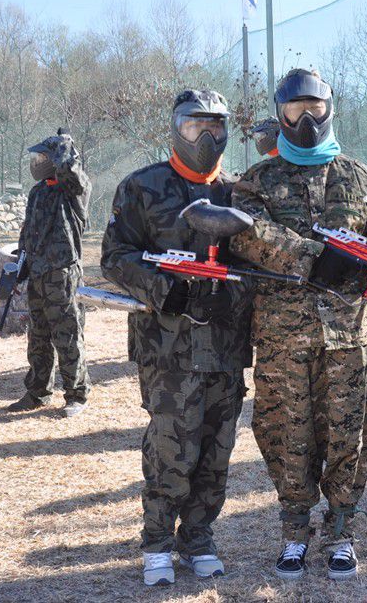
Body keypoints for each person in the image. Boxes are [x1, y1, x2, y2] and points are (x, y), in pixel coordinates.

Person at [231, 68, 367, 581]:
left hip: (348, 333)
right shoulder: (258, 179)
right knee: (285, 432)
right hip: (283, 337)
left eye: (313, 109)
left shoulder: (358, 176)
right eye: (294, 111)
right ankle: (294, 531)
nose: (305, 121)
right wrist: (316, 258)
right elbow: (248, 235)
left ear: (329, 109)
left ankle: (341, 531)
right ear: (280, 115)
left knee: (348, 435)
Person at [102, 89, 253, 587]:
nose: (206, 137)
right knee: (171, 447)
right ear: (175, 128)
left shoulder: (240, 194)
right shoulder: (143, 186)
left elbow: (259, 262)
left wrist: (233, 296)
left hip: (226, 345)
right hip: (167, 348)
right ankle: (157, 543)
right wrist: (168, 291)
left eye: (215, 126)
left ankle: (199, 538)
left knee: (216, 448)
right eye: (194, 126)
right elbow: (116, 257)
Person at [7, 129, 91, 418]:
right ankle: (37, 392)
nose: (38, 162)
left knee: (67, 335)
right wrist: (20, 267)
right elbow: (28, 231)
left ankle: (76, 394)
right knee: (38, 337)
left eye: (43, 157)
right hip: (38, 273)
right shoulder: (39, 190)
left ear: (57, 160)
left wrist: (65, 145)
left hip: (63, 273)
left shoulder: (74, 189)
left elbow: (73, 174)